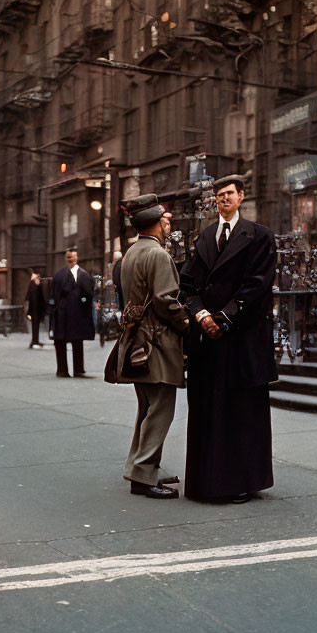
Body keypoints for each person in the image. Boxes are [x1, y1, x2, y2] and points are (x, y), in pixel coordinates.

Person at [180, 175, 277, 503]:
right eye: (219, 195)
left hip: (242, 339)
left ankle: (241, 481)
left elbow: (257, 284)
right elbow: (187, 286)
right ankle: (207, 482)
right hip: (208, 340)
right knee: (209, 410)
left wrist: (224, 317)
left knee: (240, 411)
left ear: (241, 197)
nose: (224, 200)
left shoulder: (260, 236)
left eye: (229, 194)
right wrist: (202, 315)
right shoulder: (204, 237)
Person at [115, 195, 190, 499]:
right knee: (160, 410)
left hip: (137, 340)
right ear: (157, 223)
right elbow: (165, 301)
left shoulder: (131, 252)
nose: (167, 224)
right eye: (165, 220)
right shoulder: (158, 255)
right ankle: (143, 475)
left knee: (146, 408)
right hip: (157, 343)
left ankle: (139, 467)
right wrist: (188, 323)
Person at [50, 248, 95, 377]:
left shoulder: (84, 276)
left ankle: (78, 369)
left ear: (77, 258)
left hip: (77, 314)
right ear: (66, 259)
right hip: (63, 315)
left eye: (73, 257)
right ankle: (62, 370)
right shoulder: (59, 276)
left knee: (77, 341)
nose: (71, 260)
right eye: (69, 257)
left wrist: (83, 304)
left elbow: (89, 295)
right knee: (60, 342)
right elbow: (53, 295)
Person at [25, 271, 47, 349]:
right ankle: (34, 341)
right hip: (35, 309)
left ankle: (35, 340)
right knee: (35, 326)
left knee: (36, 326)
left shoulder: (35, 284)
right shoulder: (33, 284)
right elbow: (32, 298)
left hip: (36, 309)